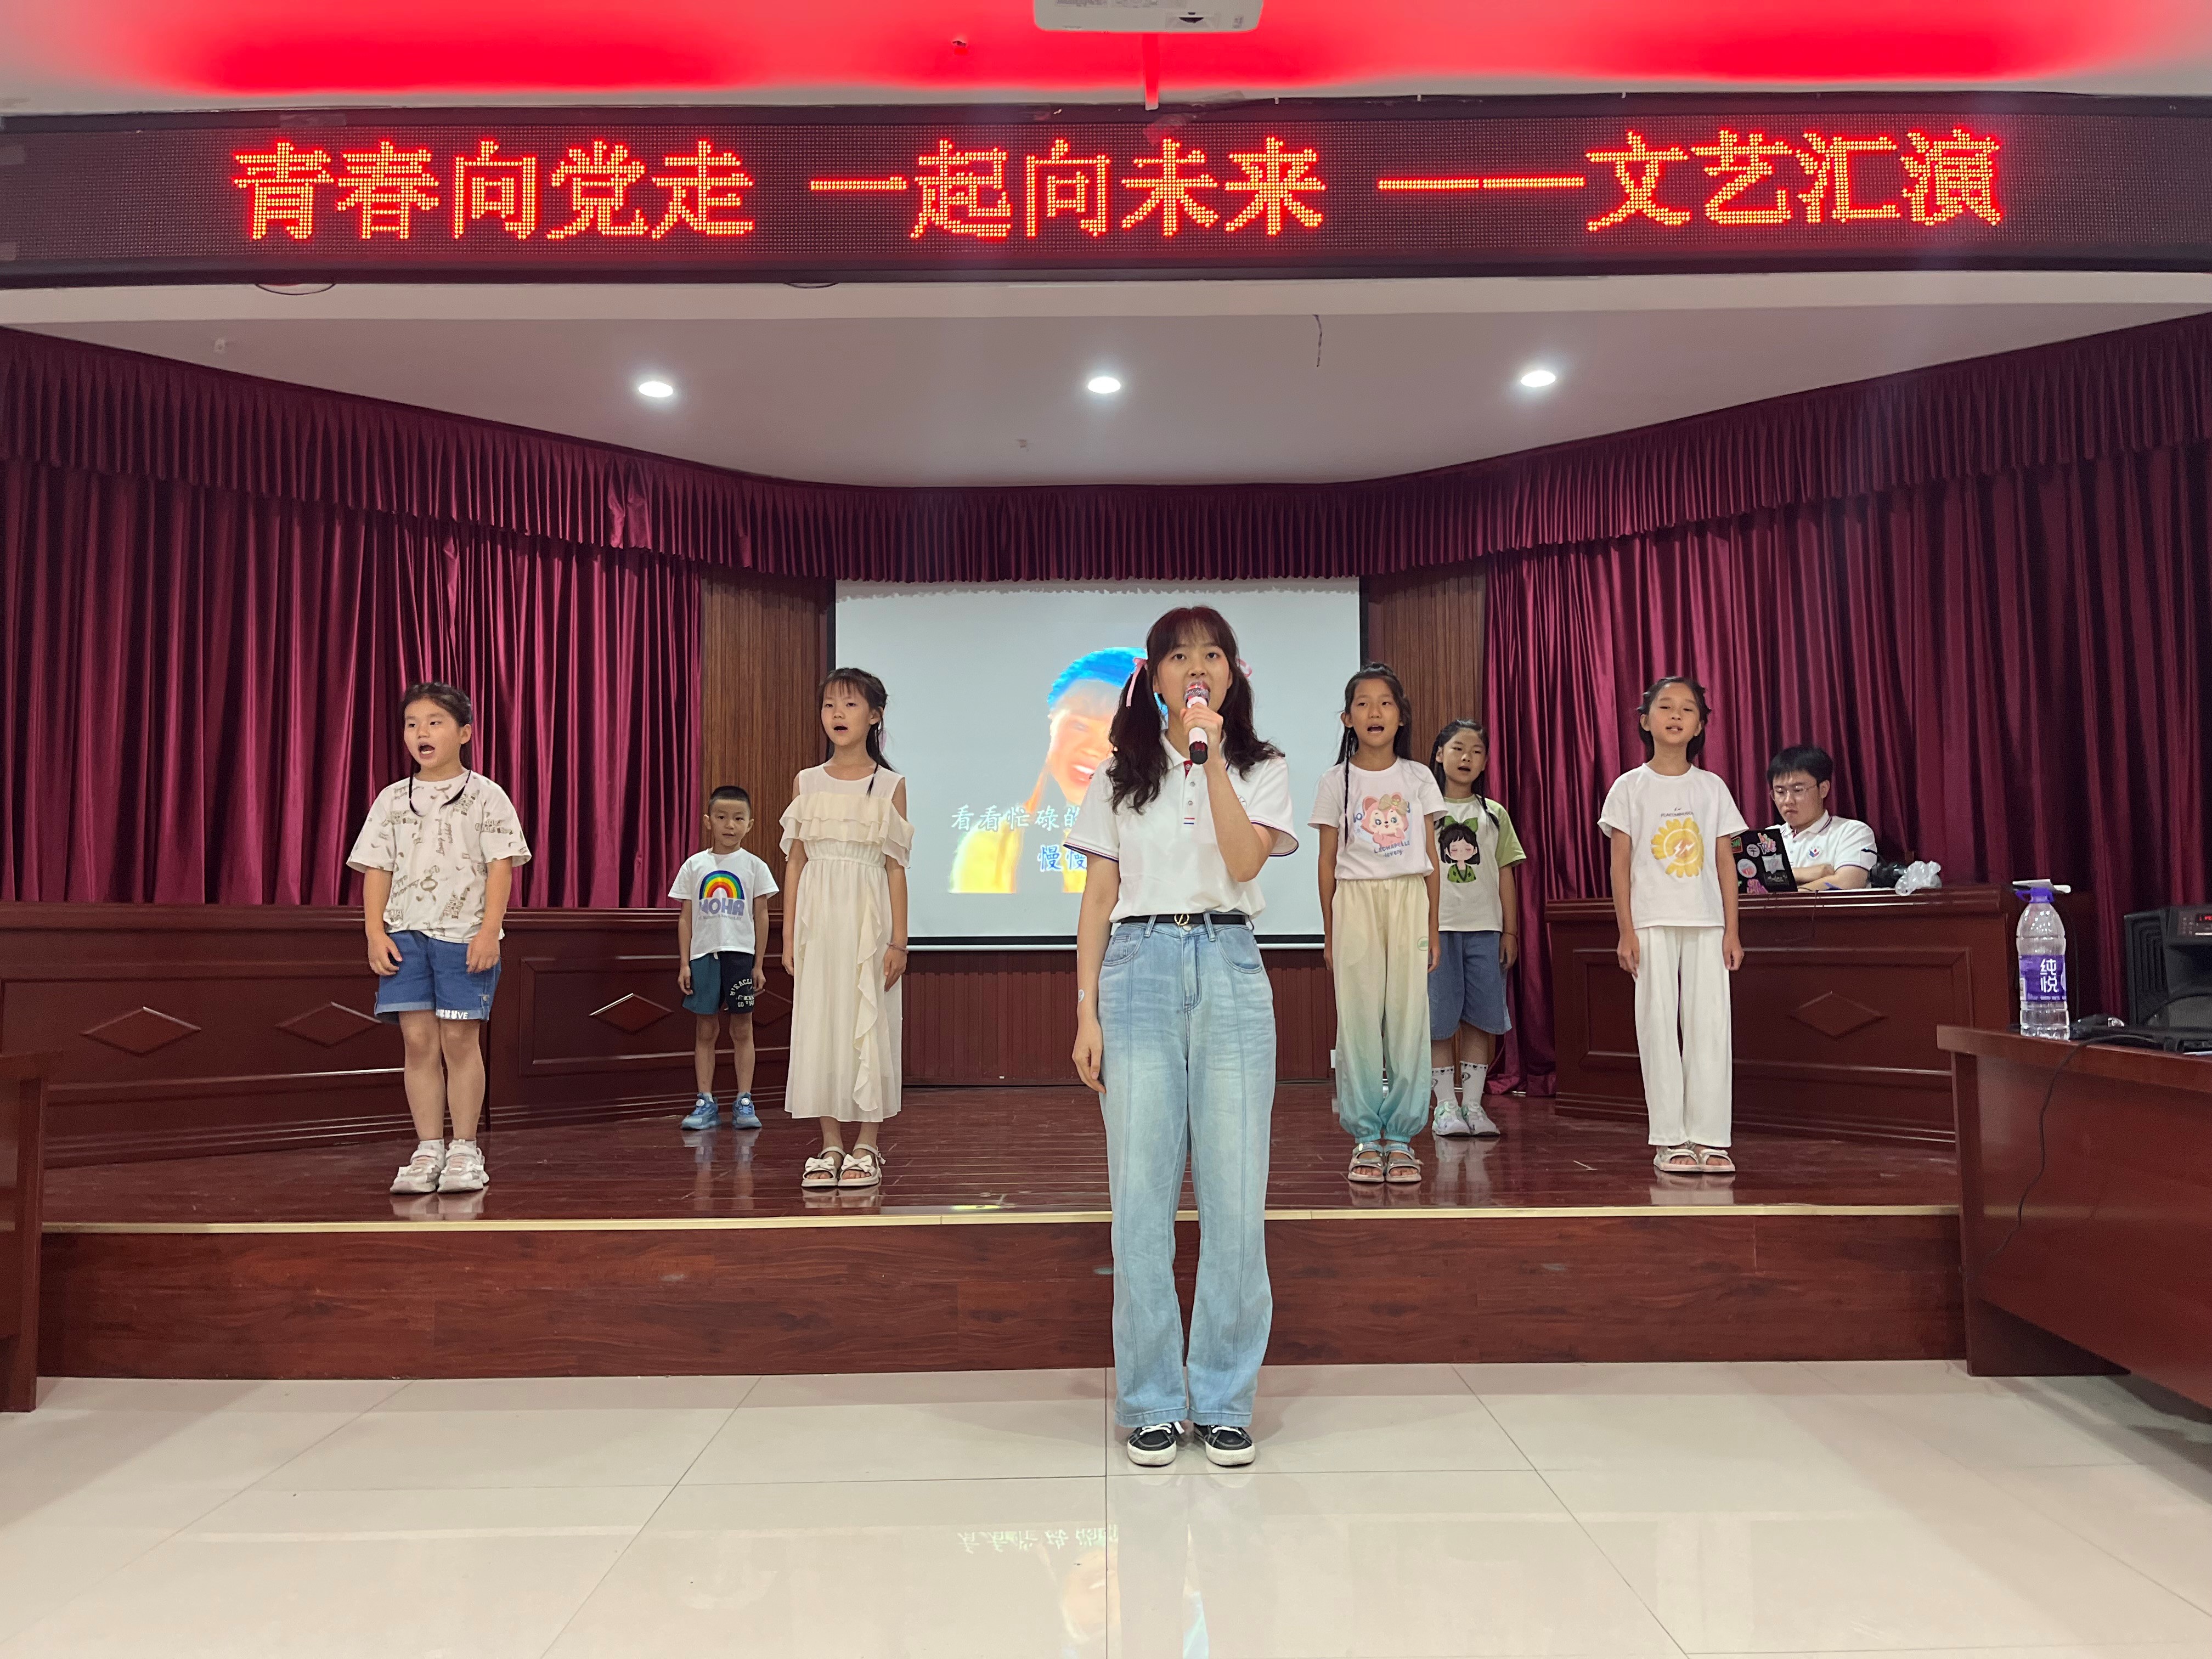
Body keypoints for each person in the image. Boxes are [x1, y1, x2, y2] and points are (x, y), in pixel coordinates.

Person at [1068, 606, 1298, 1469]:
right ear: (1154, 677)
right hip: (1138, 967)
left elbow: (1243, 862)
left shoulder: (1262, 766)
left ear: (1231, 674)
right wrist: (1085, 1011)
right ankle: (1154, 1400)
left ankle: (1225, 1398)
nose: (1195, 667)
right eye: (1177, 655)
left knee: (1235, 1197)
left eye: (1211, 655)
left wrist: (1212, 759)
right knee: (1141, 1198)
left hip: (1230, 963)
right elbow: (1098, 899)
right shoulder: (1117, 774)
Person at [349, 681, 531, 1197]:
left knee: (458, 1040)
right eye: (412, 724)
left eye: (434, 722)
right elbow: (378, 868)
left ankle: (465, 1148)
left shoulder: (487, 795)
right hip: (406, 936)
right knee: (418, 1041)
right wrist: (374, 931)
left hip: (463, 937)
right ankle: (428, 1147)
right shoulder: (391, 799)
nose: (421, 732)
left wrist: (490, 932)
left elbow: (501, 868)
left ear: (464, 733)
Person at [1598, 675, 1747, 1176]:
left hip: (1706, 922)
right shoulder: (1628, 787)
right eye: (1666, 706)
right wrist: (1625, 930)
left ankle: (1710, 1137)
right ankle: (1669, 1138)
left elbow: (1725, 862)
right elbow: (1620, 865)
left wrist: (1732, 930)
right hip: (1651, 922)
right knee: (1658, 1027)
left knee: (1710, 1028)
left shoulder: (1712, 787)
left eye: (1688, 708)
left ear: (1701, 725)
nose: (1677, 715)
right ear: (1645, 721)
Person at [1311, 664, 1444, 1185]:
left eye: (1385, 702)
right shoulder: (1334, 781)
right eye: (1363, 703)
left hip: (1408, 897)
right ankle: (1367, 1135)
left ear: (1400, 716)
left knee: (1410, 1018)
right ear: (1347, 718)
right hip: (1356, 901)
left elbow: (1431, 858)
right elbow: (1326, 861)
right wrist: (1330, 930)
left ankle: (1403, 1137)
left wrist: (1433, 926)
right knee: (1359, 1020)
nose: (1375, 712)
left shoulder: (1419, 777)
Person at [781, 668, 913, 1192]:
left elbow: (896, 868)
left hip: (868, 918)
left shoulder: (891, 785)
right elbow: (795, 861)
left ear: (875, 716)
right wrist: (788, 935)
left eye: (851, 705)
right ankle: (830, 1142)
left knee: (868, 1023)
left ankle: (868, 1145)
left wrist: (899, 941)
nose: (838, 714)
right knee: (821, 1023)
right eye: (829, 705)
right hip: (818, 920)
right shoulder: (807, 781)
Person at [949, 646, 1138, 894]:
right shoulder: (993, 842)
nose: (1094, 749)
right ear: (1051, 723)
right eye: (1080, 727)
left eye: (1114, 736)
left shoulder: (1147, 831)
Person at [1426, 719, 1527, 1139]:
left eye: (1477, 751)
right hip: (1437, 932)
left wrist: (1511, 932)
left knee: (1481, 1020)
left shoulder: (1494, 814)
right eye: (1458, 749)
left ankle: (1472, 1105)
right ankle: (1444, 1107)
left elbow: (1506, 874)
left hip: (1486, 931)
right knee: (1438, 1021)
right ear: (1439, 755)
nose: (1467, 757)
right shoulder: (1425, 811)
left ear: (1485, 762)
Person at [673, 784, 780, 1132]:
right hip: (704, 956)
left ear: (750, 824)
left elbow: (761, 916)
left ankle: (744, 1100)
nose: (730, 825)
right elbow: (686, 918)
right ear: (708, 821)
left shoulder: (755, 867)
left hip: (741, 958)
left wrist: (759, 964)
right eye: (721, 817)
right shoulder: (695, 865)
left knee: (742, 1028)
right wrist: (685, 963)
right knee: (706, 1029)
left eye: (738, 818)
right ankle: (705, 1100)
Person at [1767, 745, 1877, 892]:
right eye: (1780, 792)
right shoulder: (1766, 838)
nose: (1788, 801)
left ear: (1823, 789)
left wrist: (1783, 894)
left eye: (1798, 790)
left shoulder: (1852, 832)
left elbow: (1848, 882)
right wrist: (1811, 873)